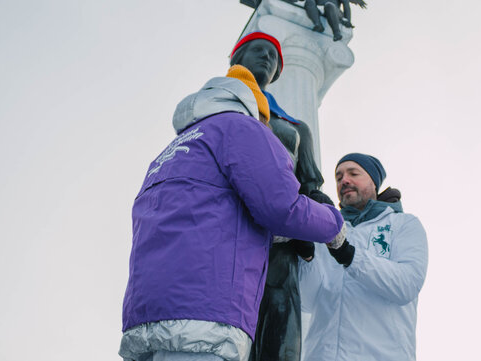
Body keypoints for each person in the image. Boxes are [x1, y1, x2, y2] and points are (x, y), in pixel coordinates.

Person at [118, 63, 344, 361]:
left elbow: (209, 214)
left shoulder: (172, 151)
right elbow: (281, 207)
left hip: (147, 317)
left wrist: (273, 237)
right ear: (256, 110)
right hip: (204, 314)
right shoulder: (242, 128)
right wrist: (334, 225)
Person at [227, 32, 325, 361]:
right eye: (258, 50)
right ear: (237, 58)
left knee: (281, 343)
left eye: (273, 56)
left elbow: (310, 184)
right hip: (231, 239)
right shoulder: (221, 107)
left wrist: (318, 224)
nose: (266, 58)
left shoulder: (296, 128)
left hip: (282, 253)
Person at [298, 153, 429, 361]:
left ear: (374, 182)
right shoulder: (328, 231)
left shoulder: (403, 224)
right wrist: (306, 256)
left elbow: (406, 285)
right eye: (339, 177)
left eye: (353, 173)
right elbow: (308, 301)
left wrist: (348, 254)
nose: (344, 180)